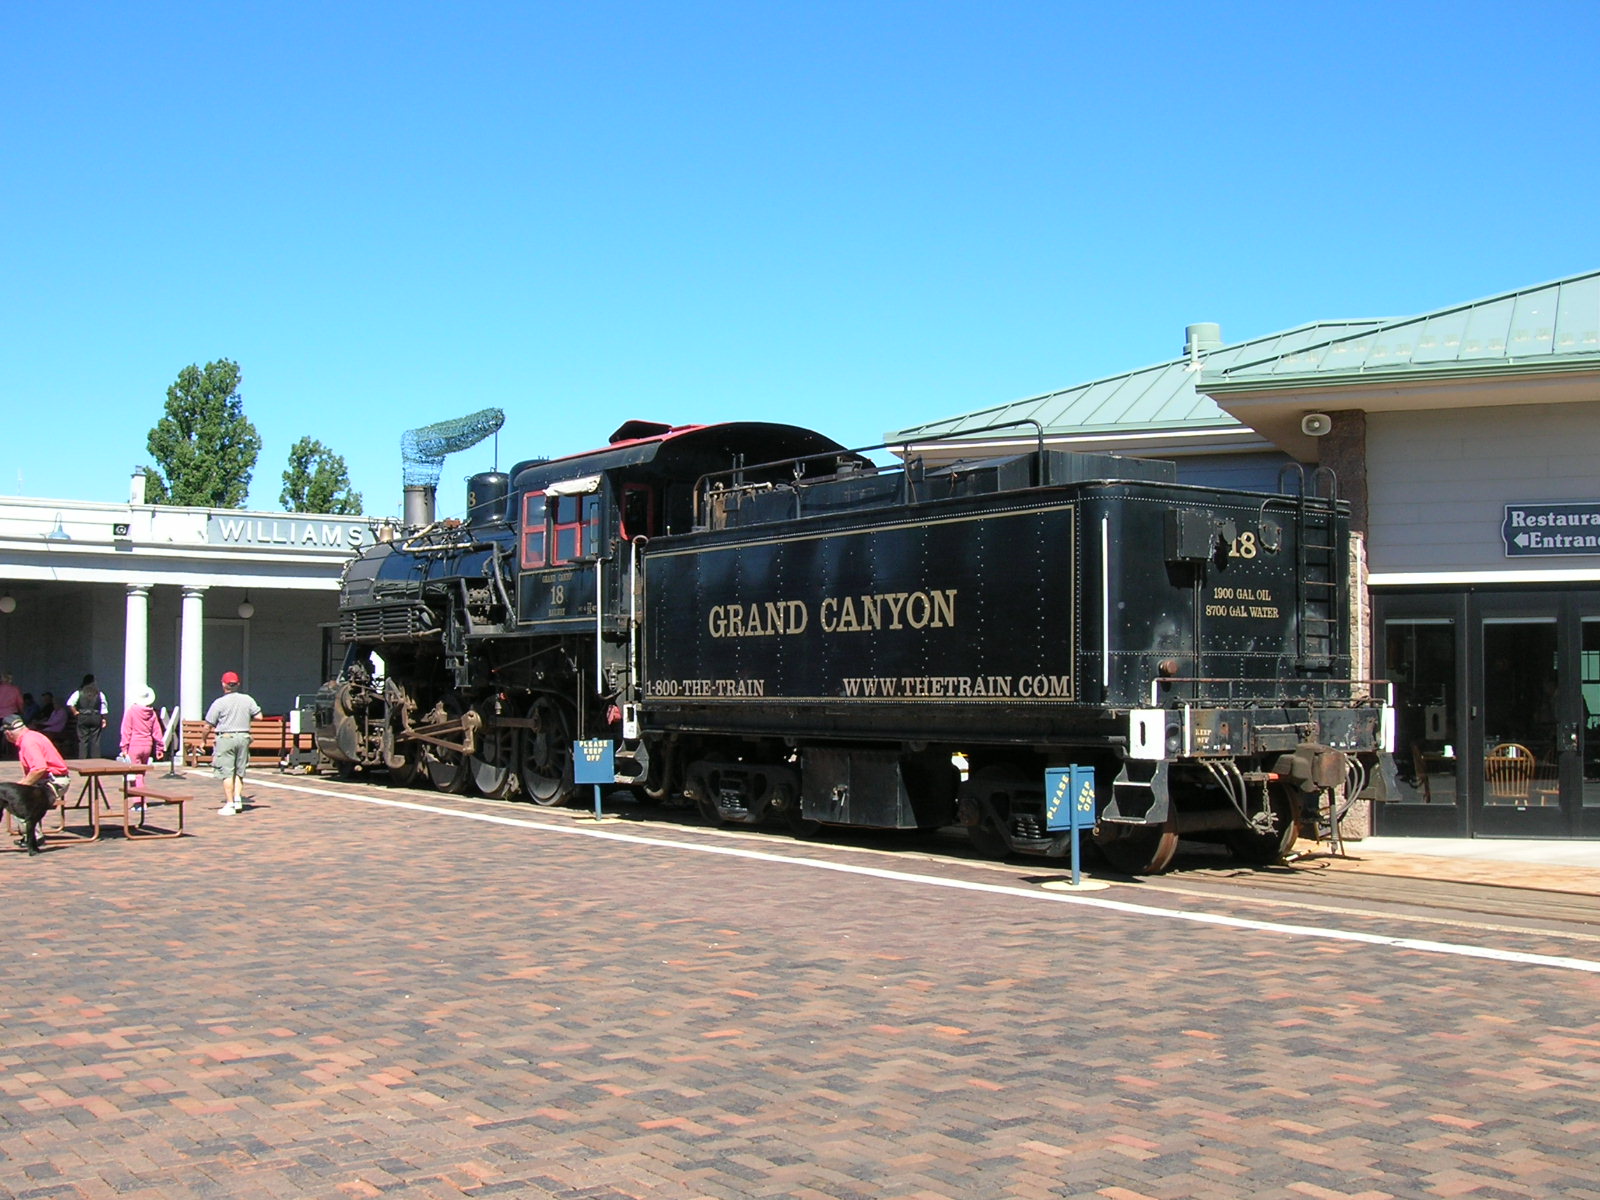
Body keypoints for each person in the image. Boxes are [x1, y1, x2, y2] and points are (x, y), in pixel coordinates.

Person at [3, 713, 72, 839]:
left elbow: (39, 769)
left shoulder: (28, 742)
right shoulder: (31, 736)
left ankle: (34, 838)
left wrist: (20, 787)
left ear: (8, 733)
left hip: (54, 782)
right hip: (48, 780)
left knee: (16, 800)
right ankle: (31, 836)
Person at [204, 670, 260, 815]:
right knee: (239, 771)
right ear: (238, 684)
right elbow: (259, 716)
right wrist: (245, 719)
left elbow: (208, 725)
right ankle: (237, 799)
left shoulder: (219, 702)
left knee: (227, 772)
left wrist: (203, 740)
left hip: (226, 738)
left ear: (223, 684)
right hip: (243, 736)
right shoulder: (247, 699)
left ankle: (229, 804)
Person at [120, 685, 167, 766]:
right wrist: (160, 748)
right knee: (141, 771)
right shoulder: (152, 713)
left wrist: (124, 747)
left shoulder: (131, 711)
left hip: (134, 745)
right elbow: (157, 731)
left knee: (135, 772)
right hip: (148, 745)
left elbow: (126, 731)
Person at [67, 674, 109, 759]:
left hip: (83, 716)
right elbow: (104, 707)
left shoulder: (79, 692)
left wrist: (75, 712)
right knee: (95, 740)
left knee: (82, 740)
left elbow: (70, 703)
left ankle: (83, 760)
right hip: (96, 716)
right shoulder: (99, 693)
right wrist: (104, 719)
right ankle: (96, 760)